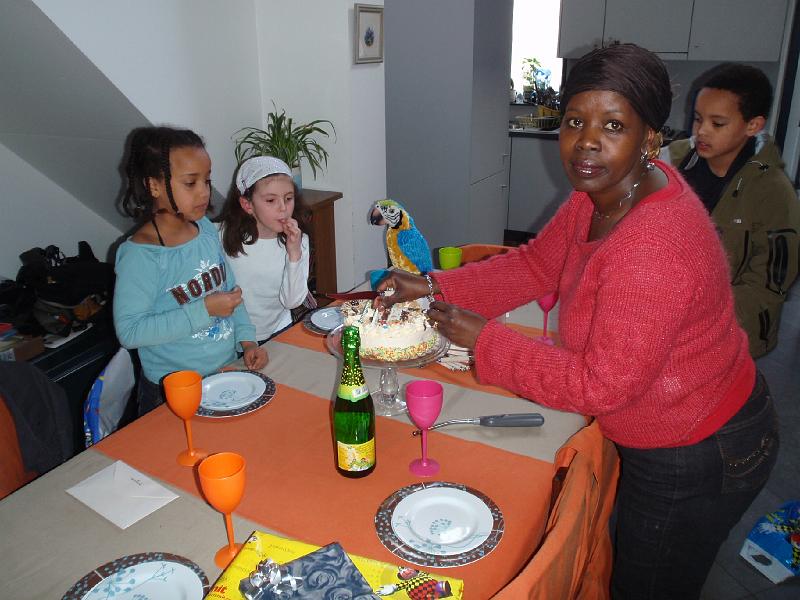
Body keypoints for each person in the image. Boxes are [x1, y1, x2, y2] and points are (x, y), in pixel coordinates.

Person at [376, 44, 779, 600]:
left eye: (613, 125)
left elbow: (602, 384)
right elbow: (539, 263)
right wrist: (438, 284)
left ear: (650, 138)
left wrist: (486, 341)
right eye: (574, 122)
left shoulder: (653, 245)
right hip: (672, 422)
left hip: (699, 445)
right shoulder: (606, 190)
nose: (586, 141)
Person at [114, 127, 267, 415]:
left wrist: (247, 341)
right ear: (154, 186)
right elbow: (130, 331)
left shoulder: (205, 229)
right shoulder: (141, 255)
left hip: (225, 372)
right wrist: (205, 309)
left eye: (207, 180)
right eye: (190, 183)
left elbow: (232, 294)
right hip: (172, 392)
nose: (204, 192)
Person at [665, 63, 800, 358]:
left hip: (729, 334)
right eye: (698, 119)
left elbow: (769, 285)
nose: (701, 131)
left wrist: (699, 320)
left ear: (753, 126)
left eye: (718, 123)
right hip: (668, 319)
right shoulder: (674, 164)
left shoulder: (774, 193)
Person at [217, 156, 312, 343]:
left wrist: (294, 254)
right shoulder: (220, 236)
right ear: (247, 204)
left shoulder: (298, 240)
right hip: (234, 337)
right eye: (270, 200)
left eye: (288, 198)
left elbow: (293, 302)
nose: (283, 209)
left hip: (279, 331)